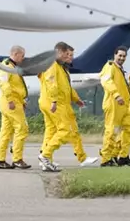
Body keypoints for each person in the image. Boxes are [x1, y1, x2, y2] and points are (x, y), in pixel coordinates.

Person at [38, 42, 99, 172]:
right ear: (59, 53)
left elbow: (66, 87)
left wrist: (76, 100)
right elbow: (51, 84)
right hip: (55, 103)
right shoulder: (52, 66)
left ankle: (46, 160)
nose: (69, 57)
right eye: (66, 54)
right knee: (65, 130)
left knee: (51, 131)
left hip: (56, 102)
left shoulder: (61, 68)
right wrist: (54, 101)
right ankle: (45, 155)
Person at [98, 46, 130, 167]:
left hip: (124, 106)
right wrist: (116, 95)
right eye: (120, 55)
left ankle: (123, 156)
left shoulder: (120, 69)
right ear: (115, 55)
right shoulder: (110, 67)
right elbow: (106, 81)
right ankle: (105, 159)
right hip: (114, 104)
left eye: (124, 56)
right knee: (112, 131)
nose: (121, 58)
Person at [0, 45, 31, 169]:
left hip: (13, 102)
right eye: (22, 55)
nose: (23, 58)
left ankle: (0, 160)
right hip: (10, 103)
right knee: (22, 128)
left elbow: (16, 88)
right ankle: (17, 159)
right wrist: (10, 100)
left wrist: (22, 101)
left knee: (6, 131)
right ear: (16, 54)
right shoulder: (6, 66)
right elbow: (4, 84)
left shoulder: (12, 66)